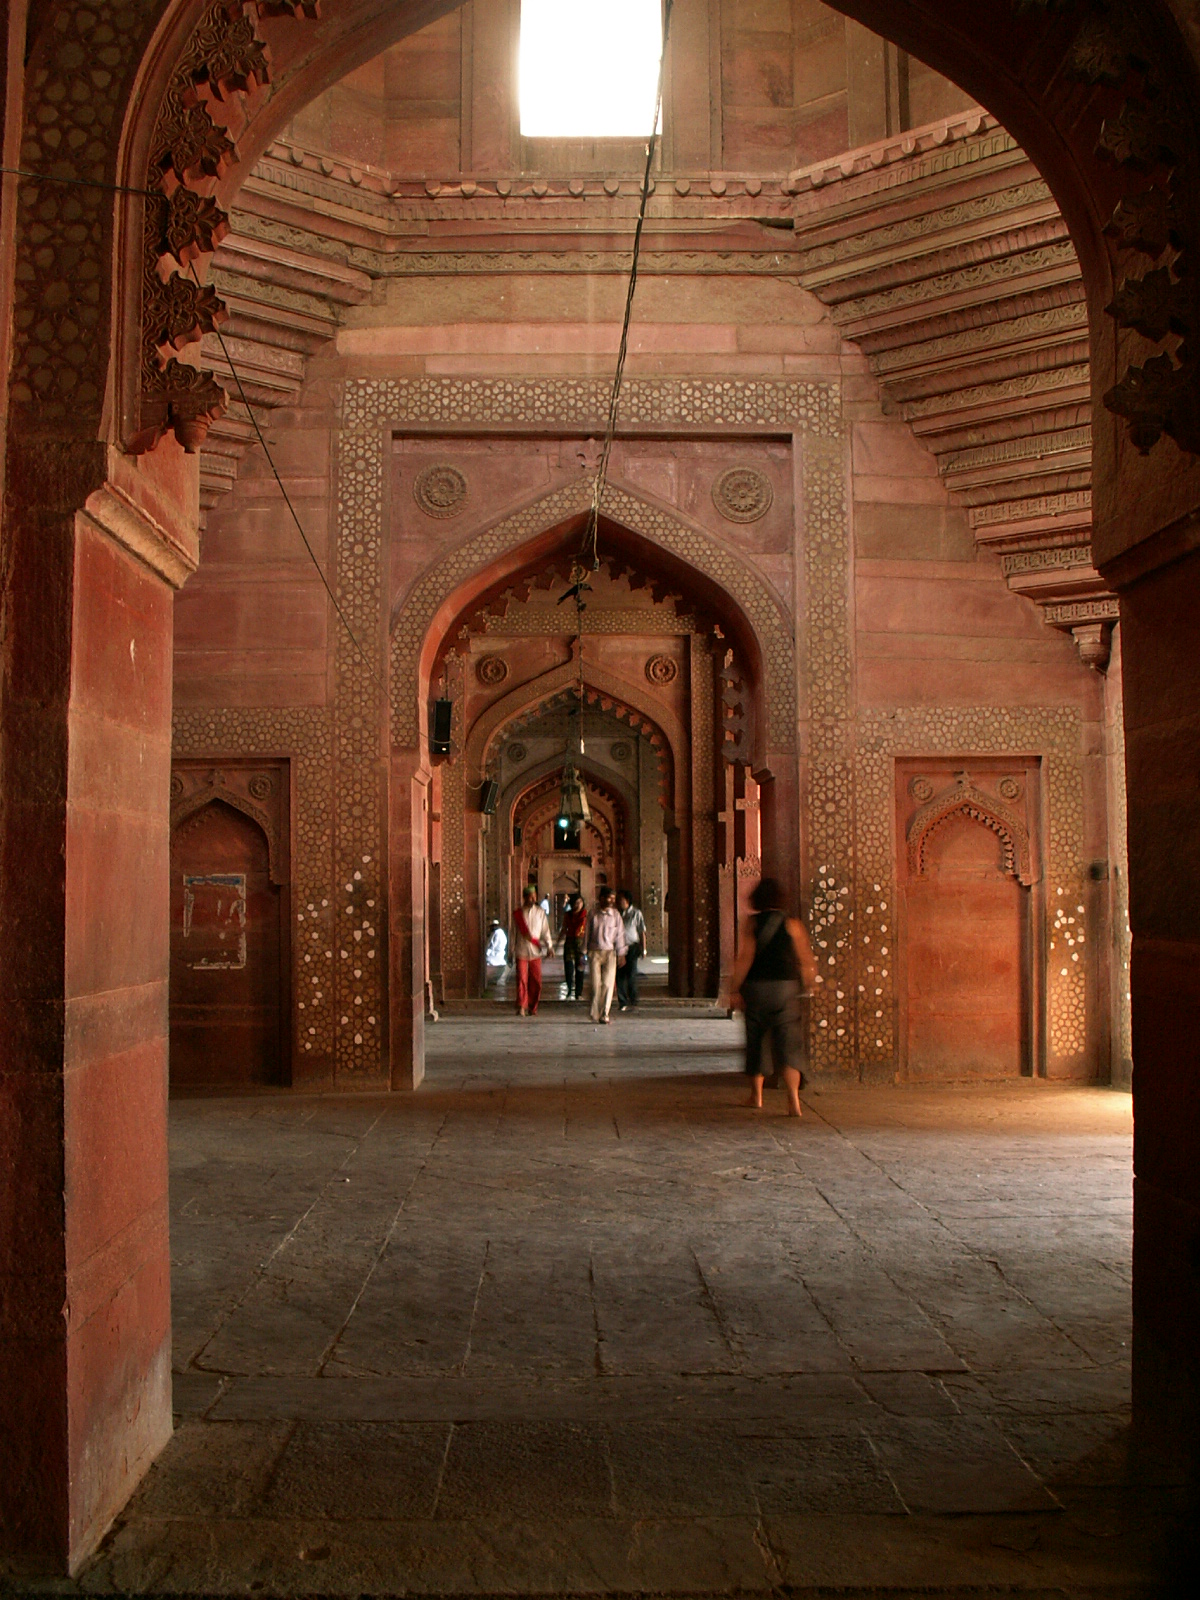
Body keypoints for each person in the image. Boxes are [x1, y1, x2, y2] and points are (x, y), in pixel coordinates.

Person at [726, 877, 817, 1117]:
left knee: (757, 1041)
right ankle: (793, 1100)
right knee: (789, 1046)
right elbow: (806, 959)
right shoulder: (793, 924)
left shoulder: (752, 923)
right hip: (786, 989)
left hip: (758, 989)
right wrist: (809, 985)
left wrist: (733, 988)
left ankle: (756, 1097)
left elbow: (745, 958)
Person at [586, 888, 626, 1024]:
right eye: (609, 898)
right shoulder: (593, 914)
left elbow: (620, 935)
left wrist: (621, 953)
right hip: (594, 952)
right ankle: (595, 1012)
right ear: (601, 898)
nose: (612, 901)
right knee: (595, 984)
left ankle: (604, 1013)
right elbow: (587, 934)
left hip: (610, 953)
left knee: (608, 984)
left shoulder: (616, 916)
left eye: (614, 899)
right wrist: (583, 952)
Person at [511, 885, 552, 1017]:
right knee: (521, 980)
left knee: (536, 981)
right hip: (521, 950)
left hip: (535, 952)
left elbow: (545, 931)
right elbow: (513, 934)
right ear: (525, 897)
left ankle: (532, 1007)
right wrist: (510, 951)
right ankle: (522, 1006)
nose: (533, 899)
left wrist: (549, 946)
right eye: (530, 897)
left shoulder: (540, 913)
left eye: (534, 897)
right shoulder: (518, 914)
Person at [615, 891, 647, 1011]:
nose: (619, 902)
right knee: (619, 975)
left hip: (632, 947)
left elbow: (641, 931)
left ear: (627, 901)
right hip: (619, 948)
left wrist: (644, 949)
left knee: (631, 974)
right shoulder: (617, 914)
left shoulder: (636, 913)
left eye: (621, 900)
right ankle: (622, 1001)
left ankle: (633, 999)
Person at [561, 892, 588, 1001]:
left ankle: (578, 992)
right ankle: (569, 989)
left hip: (582, 944)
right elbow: (564, 928)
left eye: (580, 902)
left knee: (580, 968)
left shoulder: (586, 915)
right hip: (570, 942)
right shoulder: (568, 915)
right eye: (576, 903)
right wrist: (557, 942)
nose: (578, 905)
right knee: (568, 967)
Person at [485, 919, 508, 986]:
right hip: (498, 954)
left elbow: (493, 945)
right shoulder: (500, 932)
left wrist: (487, 953)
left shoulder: (496, 933)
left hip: (495, 954)